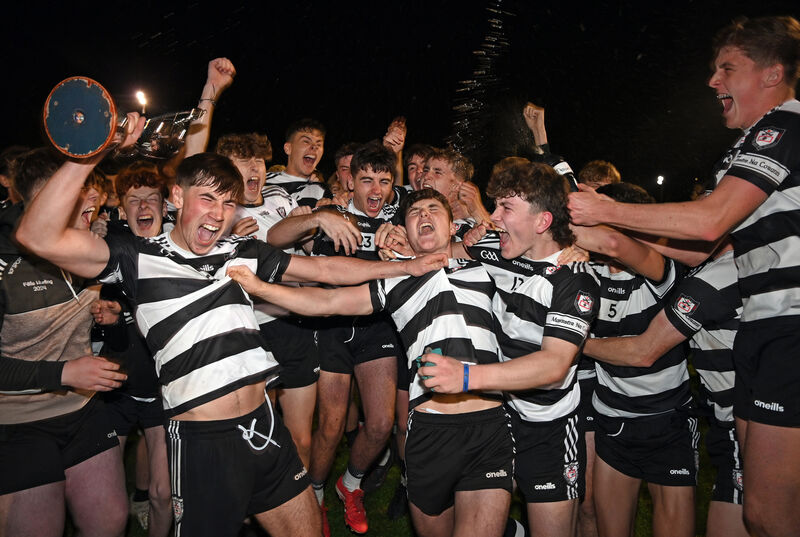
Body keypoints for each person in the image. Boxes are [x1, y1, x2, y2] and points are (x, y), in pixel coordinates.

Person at [14, 121, 446, 537]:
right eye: (207, 200)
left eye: (227, 204)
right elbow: (37, 235)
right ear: (177, 197)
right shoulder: (136, 257)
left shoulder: (239, 251)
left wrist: (405, 267)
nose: (218, 215)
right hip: (205, 440)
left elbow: (323, 269)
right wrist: (87, 154)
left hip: (263, 424)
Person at [567, 16, 800, 537]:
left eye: (727, 69)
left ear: (772, 73)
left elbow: (709, 220)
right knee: (760, 512)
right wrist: (608, 235)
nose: (713, 82)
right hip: (763, 331)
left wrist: (609, 212)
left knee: (771, 515)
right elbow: (698, 250)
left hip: (789, 324)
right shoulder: (745, 149)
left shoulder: (784, 126)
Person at [228, 188, 515, 537]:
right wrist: (260, 289)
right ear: (404, 232)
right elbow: (325, 301)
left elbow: (536, 237)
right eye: (415, 213)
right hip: (430, 432)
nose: (424, 215)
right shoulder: (396, 282)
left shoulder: (486, 267)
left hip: (489, 425)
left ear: (453, 226)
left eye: (433, 210)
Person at [427, 160, 601, 537]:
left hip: (548, 427)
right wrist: (397, 241)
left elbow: (554, 365)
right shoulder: (496, 250)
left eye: (506, 208)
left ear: (542, 222)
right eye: (495, 206)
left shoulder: (575, 281)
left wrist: (467, 376)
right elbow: (433, 258)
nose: (493, 217)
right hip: (499, 418)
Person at [268, 141, 404, 535]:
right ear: (351, 180)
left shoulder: (398, 220)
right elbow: (275, 237)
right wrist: (316, 220)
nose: (375, 190)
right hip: (329, 331)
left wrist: (404, 243)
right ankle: (314, 495)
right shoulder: (331, 212)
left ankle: (352, 484)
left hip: (377, 329)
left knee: (380, 424)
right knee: (330, 426)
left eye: (384, 180)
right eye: (366, 180)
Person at [0, 147, 128, 537]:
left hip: (84, 412)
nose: (96, 201)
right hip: (18, 423)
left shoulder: (91, 247)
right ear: (45, 201)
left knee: (111, 522)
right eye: (81, 194)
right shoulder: (5, 263)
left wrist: (113, 320)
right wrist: (65, 371)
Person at [581, 238, 746, 537]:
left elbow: (643, 352)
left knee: (766, 517)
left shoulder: (670, 275)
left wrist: (571, 343)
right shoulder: (589, 271)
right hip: (614, 423)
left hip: (672, 424)